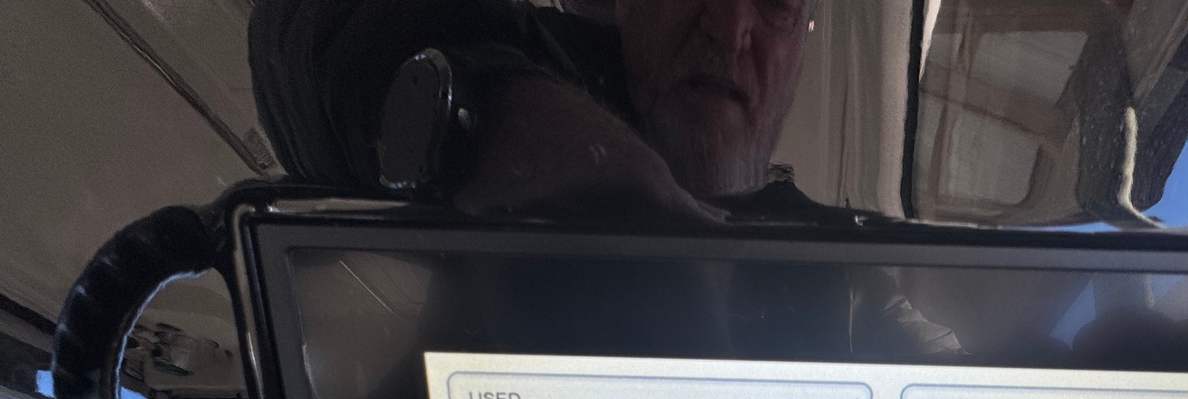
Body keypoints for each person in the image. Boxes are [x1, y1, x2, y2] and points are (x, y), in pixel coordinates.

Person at [249, 0, 817, 221]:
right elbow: (304, 25)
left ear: (799, 59)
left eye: (776, 3)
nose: (730, 28)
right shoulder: (545, 57)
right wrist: (489, 113)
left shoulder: (832, 256)